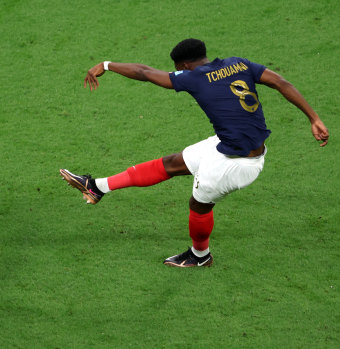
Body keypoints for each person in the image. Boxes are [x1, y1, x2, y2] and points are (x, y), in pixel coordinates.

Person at [60, 38, 329, 267]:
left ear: (184, 65)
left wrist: (106, 65)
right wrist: (314, 118)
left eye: (176, 68)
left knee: (199, 204)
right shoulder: (239, 63)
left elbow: (143, 72)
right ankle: (96, 187)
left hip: (238, 162)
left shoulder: (193, 77)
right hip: (228, 145)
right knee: (173, 163)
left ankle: (200, 256)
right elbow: (281, 82)